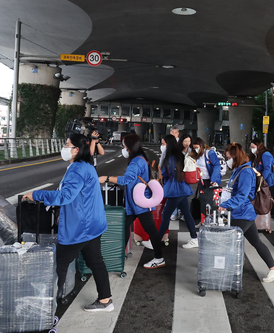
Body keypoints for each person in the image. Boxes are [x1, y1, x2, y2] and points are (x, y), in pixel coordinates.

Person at [22, 133, 113, 312]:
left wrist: (37, 194)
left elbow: (65, 196)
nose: (64, 148)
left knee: (59, 264)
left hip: (80, 227)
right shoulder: (87, 166)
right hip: (92, 224)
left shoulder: (77, 169)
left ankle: (48, 306)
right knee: (96, 262)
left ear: (76, 150)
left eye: (67, 144)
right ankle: (105, 300)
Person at [219, 143, 274, 283]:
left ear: (236, 157)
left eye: (229, 157)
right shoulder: (239, 170)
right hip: (242, 213)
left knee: (230, 242)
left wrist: (225, 205)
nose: (227, 160)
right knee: (256, 242)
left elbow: (243, 195)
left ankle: (231, 271)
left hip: (242, 214)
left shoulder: (245, 172)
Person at [99, 134, 165, 269]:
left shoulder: (136, 161)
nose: (123, 149)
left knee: (150, 230)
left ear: (129, 147)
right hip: (133, 204)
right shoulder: (140, 159)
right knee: (124, 226)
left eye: (124, 146)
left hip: (139, 203)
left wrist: (107, 178)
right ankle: (118, 256)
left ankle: (159, 258)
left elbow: (126, 179)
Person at [157, 135, 198, 248]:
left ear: (168, 144)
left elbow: (166, 172)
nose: (162, 146)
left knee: (165, 215)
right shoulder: (180, 155)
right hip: (183, 188)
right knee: (187, 213)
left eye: (163, 144)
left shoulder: (170, 157)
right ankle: (194, 238)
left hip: (175, 190)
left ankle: (156, 241)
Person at [190, 137, 222, 225]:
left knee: (212, 202)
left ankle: (212, 221)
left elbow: (217, 165)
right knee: (202, 201)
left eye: (197, 147)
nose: (196, 149)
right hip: (202, 180)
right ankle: (203, 221)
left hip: (210, 180)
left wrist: (214, 179)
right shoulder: (197, 154)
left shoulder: (209, 153)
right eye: (194, 148)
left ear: (201, 146)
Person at [249, 138, 274, 216]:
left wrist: (261, 179)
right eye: (251, 147)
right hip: (260, 182)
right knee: (263, 198)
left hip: (268, 182)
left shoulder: (265, 154)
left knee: (268, 198)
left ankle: (272, 214)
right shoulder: (255, 156)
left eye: (253, 147)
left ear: (258, 146)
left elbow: (267, 169)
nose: (252, 149)